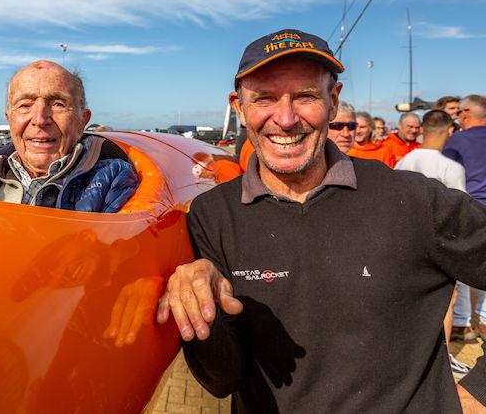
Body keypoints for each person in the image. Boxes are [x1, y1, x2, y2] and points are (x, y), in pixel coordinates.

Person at [155, 28, 486, 413]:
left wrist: (478, 391)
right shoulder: (211, 216)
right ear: (239, 107)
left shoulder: (414, 200)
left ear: (333, 100)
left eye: (305, 96)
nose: (286, 118)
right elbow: (223, 379)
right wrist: (199, 312)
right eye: (264, 98)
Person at [0, 60, 138, 213]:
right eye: (25, 105)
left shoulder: (111, 180)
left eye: (58, 103)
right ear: (10, 119)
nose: (39, 119)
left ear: (82, 121)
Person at [395, 110, 470, 376]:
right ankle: (443, 357)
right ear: (449, 131)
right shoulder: (451, 167)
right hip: (442, 245)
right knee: (447, 299)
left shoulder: (403, 161)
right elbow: (461, 213)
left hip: (406, 241)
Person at [443, 94, 486, 345]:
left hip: (470, 210)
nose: (457, 116)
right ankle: (482, 320)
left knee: (460, 269)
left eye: (460, 112)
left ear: (467, 113)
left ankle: (460, 324)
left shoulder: (456, 141)